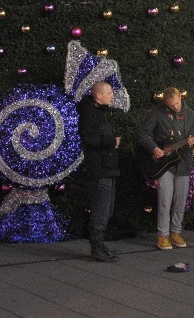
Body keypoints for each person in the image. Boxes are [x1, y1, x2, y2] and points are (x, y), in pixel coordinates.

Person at [138, 87, 194, 250]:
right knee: (164, 199)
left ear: (180, 98)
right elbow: (143, 134)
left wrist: (193, 143)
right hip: (164, 164)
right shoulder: (157, 113)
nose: (175, 107)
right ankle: (162, 235)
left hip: (183, 162)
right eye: (171, 105)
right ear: (166, 102)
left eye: (177, 103)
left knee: (180, 200)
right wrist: (154, 148)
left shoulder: (190, 114)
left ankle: (175, 232)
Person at [78, 81, 121, 263]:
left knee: (106, 209)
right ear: (98, 96)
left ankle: (100, 244)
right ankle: (96, 246)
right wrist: (111, 141)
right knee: (100, 209)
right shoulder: (90, 114)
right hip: (99, 169)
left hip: (108, 168)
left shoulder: (99, 113)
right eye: (109, 93)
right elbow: (90, 138)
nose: (112, 95)